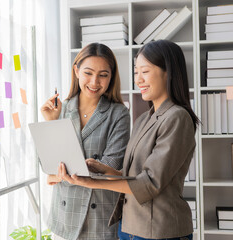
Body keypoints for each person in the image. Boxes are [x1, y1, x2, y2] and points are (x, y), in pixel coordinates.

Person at [59, 40, 200, 240]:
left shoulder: (177, 117)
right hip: (129, 226)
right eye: (136, 72)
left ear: (168, 72)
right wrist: (104, 170)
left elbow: (149, 183)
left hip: (159, 231)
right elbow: (132, 175)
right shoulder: (145, 118)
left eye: (145, 71)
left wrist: (93, 183)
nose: (138, 80)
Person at [40, 43, 130, 240]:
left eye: (103, 75)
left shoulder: (119, 114)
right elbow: (47, 168)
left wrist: (63, 175)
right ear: (76, 71)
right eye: (88, 73)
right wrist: (51, 122)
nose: (95, 82)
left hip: (100, 220)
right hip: (64, 219)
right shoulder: (60, 110)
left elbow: (109, 168)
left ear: (111, 77)